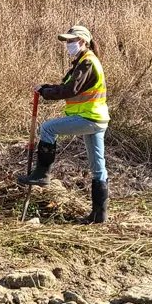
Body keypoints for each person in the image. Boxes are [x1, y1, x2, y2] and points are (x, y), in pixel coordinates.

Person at [17, 25, 110, 223]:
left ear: (83, 42)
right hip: (97, 118)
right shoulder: (82, 62)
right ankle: (99, 216)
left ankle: (42, 174)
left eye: (71, 40)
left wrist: (45, 93)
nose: (68, 44)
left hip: (89, 118)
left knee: (48, 128)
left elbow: (70, 90)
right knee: (98, 168)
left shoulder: (87, 63)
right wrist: (47, 88)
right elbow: (66, 86)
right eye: (67, 41)